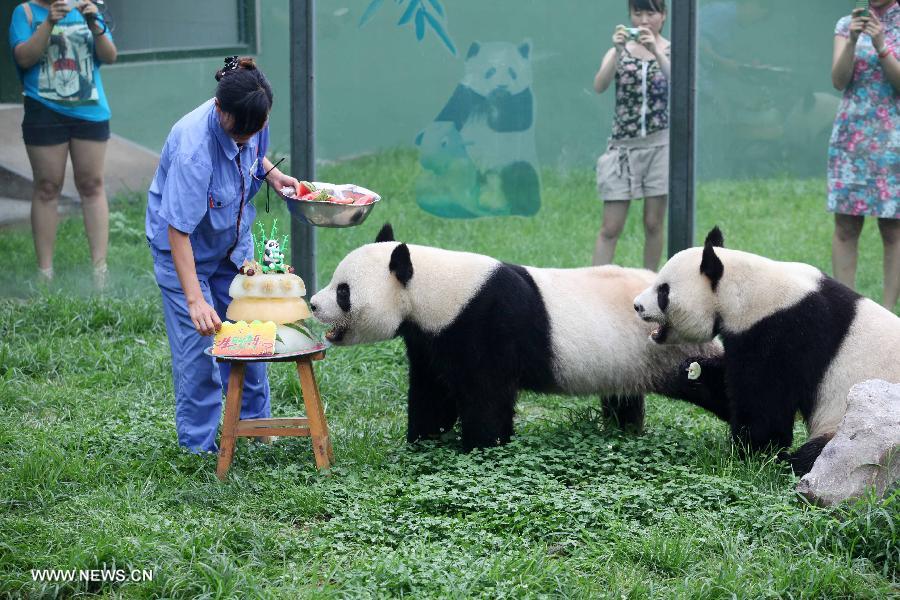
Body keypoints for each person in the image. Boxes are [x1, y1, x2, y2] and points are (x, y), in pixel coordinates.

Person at [145, 57, 301, 453]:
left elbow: (248, 152)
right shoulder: (193, 151)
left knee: (249, 340)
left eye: (255, 133)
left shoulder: (252, 115)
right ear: (220, 111)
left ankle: (254, 431)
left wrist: (271, 173)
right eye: (240, 134)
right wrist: (195, 299)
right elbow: (177, 230)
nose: (248, 141)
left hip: (232, 249)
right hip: (187, 255)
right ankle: (198, 450)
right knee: (201, 353)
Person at [8, 0, 117, 288]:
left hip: (90, 110)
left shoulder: (86, 8)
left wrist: (95, 23)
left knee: (92, 185)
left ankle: (100, 273)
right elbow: (23, 58)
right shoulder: (26, 13)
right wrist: (49, 23)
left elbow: (110, 55)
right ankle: (45, 273)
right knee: (47, 187)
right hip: (44, 110)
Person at [828, 0, 900, 311]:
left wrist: (882, 44)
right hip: (850, 138)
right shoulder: (847, 24)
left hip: (892, 140)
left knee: (894, 228)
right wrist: (854, 40)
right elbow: (839, 80)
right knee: (845, 226)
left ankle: (887, 314)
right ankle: (845, 311)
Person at [592, 0, 671, 271]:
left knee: (653, 223)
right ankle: (593, 285)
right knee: (610, 226)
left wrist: (655, 52)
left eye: (651, 13)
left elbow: (680, 84)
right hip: (622, 147)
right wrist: (616, 51)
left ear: (663, 16)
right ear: (629, 16)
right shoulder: (619, 51)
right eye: (638, 13)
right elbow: (599, 85)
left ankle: (651, 281)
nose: (644, 20)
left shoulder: (672, 51)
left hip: (660, 145)